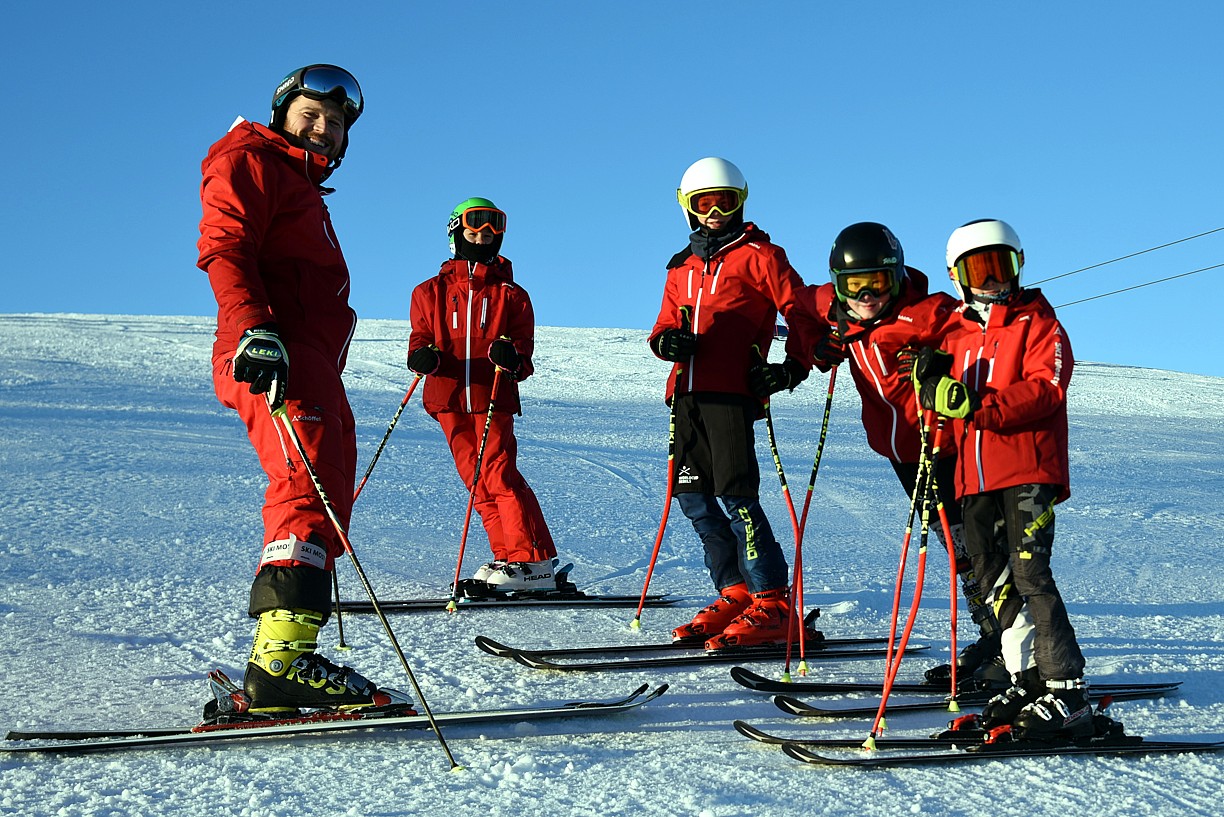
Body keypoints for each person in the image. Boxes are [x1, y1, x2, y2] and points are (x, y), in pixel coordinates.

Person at [197, 64, 409, 714]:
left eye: (335, 122)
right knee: (303, 482)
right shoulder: (250, 158)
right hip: (274, 348)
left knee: (323, 490)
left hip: (308, 359)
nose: (322, 128)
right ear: (283, 111)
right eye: (310, 115)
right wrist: (253, 330)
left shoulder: (299, 185)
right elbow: (226, 245)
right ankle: (281, 662)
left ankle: (285, 649)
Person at [797, 222, 1003, 683]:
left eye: (879, 283)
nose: (867, 295)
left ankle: (1009, 644)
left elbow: (979, 338)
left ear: (897, 276)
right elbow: (795, 303)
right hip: (903, 454)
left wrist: (942, 360)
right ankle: (995, 637)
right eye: (854, 285)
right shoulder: (836, 310)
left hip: (950, 447)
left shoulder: (927, 313)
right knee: (959, 550)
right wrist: (816, 345)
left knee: (980, 544)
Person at [912, 219, 1090, 738]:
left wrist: (979, 405)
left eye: (1001, 266)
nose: (992, 280)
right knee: (993, 579)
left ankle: (1066, 690)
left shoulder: (1039, 324)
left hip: (1029, 468)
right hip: (973, 476)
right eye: (979, 269)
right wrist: (934, 411)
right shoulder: (955, 334)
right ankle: (1027, 677)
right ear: (957, 275)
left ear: (1018, 266)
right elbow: (944, 408)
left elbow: (1046, 388)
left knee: (1031, 572)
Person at [648, 157, 817, 650]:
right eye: (705, 202)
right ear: (688, 207)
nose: (716, 209)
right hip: (686, 395)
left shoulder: (763, 255)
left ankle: (773, 602)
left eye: (727, 200)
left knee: (737, 495)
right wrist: (668, 344)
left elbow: (803, 314)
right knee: (694, 499)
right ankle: (737, 591)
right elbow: (662, 326)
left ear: (742, 201)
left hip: (731, 393)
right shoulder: (681, 265)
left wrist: (789, 369)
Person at [407, 198, 559, 592]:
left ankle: (530, 562)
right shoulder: (429, 291)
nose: (484, 237)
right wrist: (422, 356)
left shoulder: (512, 294)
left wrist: (512, 356)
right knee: (477, 482)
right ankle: (508, 556)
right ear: (456, 232)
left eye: (492, 230)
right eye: (474, 230)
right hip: (449, 395)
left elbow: (524, 351)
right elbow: (420, 336)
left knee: (498, 475)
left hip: (492, 395)